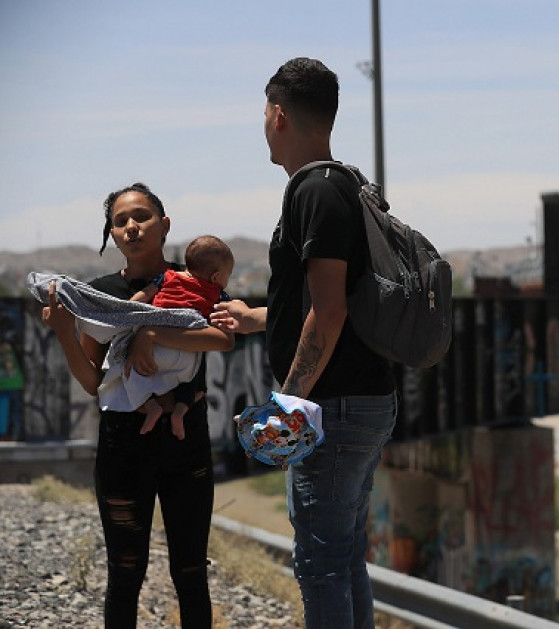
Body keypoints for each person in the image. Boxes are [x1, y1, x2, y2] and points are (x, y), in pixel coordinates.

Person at [210, 57, 396, 629]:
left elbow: (330, 310)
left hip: (331, 407)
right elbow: (328, 302)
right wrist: (258, 317)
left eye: (264, 114)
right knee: (344, 558)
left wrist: (288, 402)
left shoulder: (313, 190)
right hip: (361, 400)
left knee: (321, 565)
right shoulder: (346, 184)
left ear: (278, 114)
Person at [42, 182, 235, 628]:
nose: (131, 226)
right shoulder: (101, 294)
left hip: (186, 444)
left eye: (141, 217)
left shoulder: (194, 280)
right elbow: (93, 380)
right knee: (125, 573)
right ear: (112, 234)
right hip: (123, 445)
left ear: (164, 225)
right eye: (120, 221)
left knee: (191, 572)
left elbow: (222, 338)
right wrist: (64, 333)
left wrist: (150, 332)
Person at [130, 234, 235, 440]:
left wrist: (128, 311)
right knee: (193, 378)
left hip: (155, 349)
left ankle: (150, 406)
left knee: (133, 373)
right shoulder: (217, 294)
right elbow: (226, 322)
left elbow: (142, 296)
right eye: (228, 275)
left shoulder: (166, 277)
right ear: (215, 277)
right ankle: (179, 412)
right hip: (187, 349)